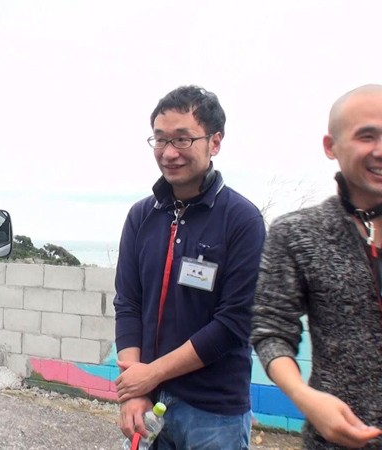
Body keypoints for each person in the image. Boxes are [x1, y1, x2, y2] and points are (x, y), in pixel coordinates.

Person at [113, 85, 266, 448]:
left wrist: (150, 375)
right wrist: (135, 390)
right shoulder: (141, 216)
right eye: (160, 139)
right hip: (148, 404)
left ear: (215, 142)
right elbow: (128, 304)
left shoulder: (242, 220)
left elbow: (233, 324)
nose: (169, 152)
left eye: (182, 139)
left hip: (214, 413)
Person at [251, 85, 382, 449]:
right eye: (366, 136)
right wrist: (305, 397)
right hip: (337, 441)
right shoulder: (297, 233)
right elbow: (270, 330)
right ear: (331, 146)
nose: (380, 150)